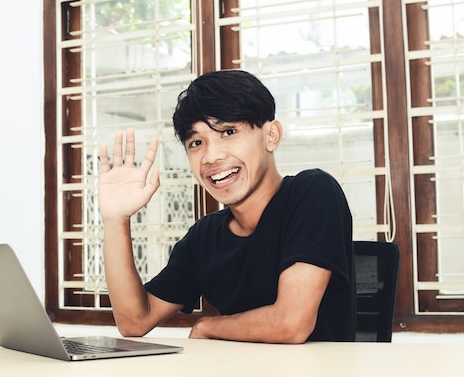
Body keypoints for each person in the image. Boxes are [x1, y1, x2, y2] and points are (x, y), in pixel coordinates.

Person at [98, 70, 355, 343]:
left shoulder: (313, 193)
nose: (211, 156)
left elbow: (290, 324)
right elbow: (134, 321)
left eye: (229, 132)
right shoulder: (205, 237)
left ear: (271, 136)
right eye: (197, 142)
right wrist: (115, 220)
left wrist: (206, 327)